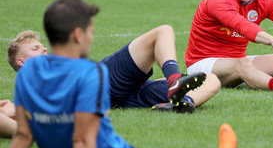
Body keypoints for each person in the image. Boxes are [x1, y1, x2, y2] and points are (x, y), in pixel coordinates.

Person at [0, 0, 273, 148]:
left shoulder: (30, 79)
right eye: (92, 32)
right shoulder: (88, 75)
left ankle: (184, 99)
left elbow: (25, 137)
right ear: (79, 35)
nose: (94, 37)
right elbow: (83, 141)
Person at [7, 27, 221, 114]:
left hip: (121, 95)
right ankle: (175, 82)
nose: (44, 48)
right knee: (163, 31)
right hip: (102, 80)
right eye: (35, 48)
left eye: (41, 45)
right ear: (22, 62)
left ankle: (183, 102)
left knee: (212, 80)